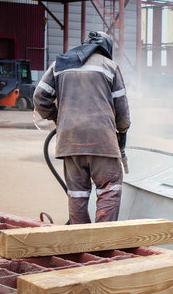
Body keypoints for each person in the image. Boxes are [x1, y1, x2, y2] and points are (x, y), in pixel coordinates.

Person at [33, 31, 130, 224]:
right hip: (103, 142)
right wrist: (121, 132)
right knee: (109, 191)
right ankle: (103, 245)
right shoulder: (110, 67)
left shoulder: (60, 64)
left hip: (69, 142)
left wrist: (59, 119)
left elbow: (39, 98)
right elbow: (122, 111)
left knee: (77, 194)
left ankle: (78, 242)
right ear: (106, 48)